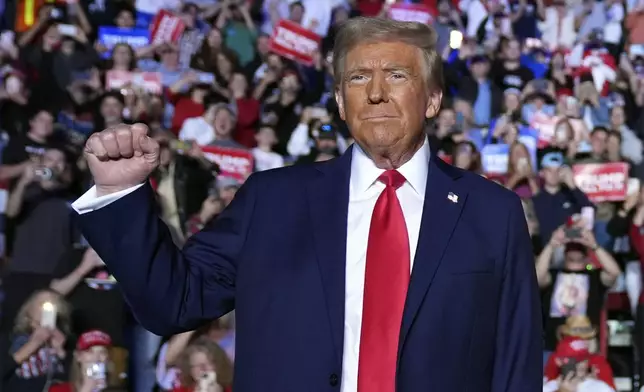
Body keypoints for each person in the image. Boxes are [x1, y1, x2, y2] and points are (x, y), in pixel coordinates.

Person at [71, 18, 541, 392]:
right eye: (358, 77)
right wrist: (121, 194)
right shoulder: (272, 200)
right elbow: (171, 304)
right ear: (339, 100)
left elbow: (516, 363)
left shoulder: (491, 213)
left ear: (434, 98)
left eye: (397, 75)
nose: (376, 92)